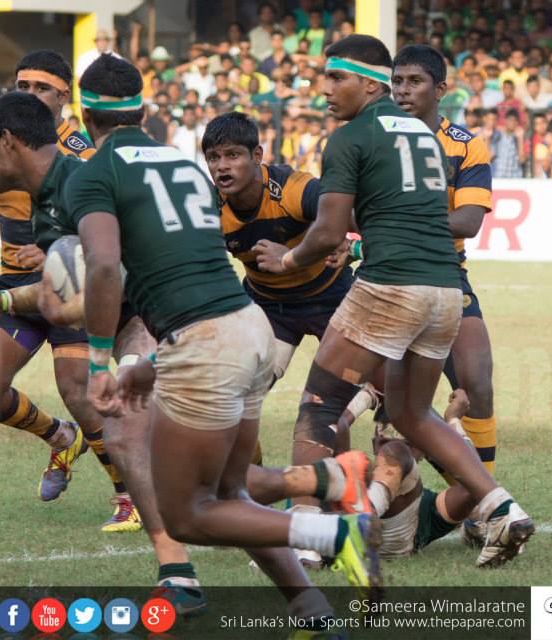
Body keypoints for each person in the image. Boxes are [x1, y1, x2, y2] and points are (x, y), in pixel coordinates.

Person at [68, 53, 381, 621]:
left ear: (84, 115)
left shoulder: (93, 174)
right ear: (143, 109)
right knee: (232, 493)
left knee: (188, 513)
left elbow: (106, 267)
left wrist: (97, 365)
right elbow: (193, 277)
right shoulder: (186, 169)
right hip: (250, 326)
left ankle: (335, 534)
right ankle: (312, 608)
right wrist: (153, 363)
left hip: (209, 344)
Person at [254, 35, 534, 568]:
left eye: (336, 78)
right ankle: (502, 508)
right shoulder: (425, 136)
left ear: (368, 84)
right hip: (446, 289)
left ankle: (310, 540)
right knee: (412, 413)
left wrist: (287, 260)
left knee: (319, 406)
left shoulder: (349, 137)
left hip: (391, 286)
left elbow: (328, 230)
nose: (324, 89)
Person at [0, 91, 207, 616]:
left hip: (177, 318)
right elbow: (73, 288)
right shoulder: (50, 200)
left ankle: (324, 501)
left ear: (8, 141)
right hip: (146, 316)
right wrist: (3, 300)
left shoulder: (84, 182)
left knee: (206, 462)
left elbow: (106, 271)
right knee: (132, 433)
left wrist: (98, 358)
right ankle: (180, 571)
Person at [0, 51, 137, 531]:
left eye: (41, 87)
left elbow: (108, 232)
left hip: (70, 286)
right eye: (22, 85)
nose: (29, 94)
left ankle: (127, 492)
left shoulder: (84, 154)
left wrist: (56, 256)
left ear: (65, 97)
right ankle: (61, 438)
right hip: (13, 285)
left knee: (79, 390)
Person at [202, 112, 366, 569]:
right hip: (268, 310)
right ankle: (249, 503)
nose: (222, 166)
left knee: (333, 407)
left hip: (332, 300)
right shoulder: (208, 206)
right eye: (213, 157)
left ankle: (341, 505)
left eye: (233, 155)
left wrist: (338, 243)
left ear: (257, 155)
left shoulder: (295, 189)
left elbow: (354, 217)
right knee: (234, 402)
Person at [392, 44, 500, 544]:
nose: (403, 90)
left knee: (477, 381)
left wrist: (400, 221)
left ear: (440, 89)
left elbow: (469, 220)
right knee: (381, 399)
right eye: (397, 81)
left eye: (414, 81)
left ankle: (481, 505)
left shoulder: (465, 145)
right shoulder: (378, 138)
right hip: (386, 275)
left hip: (446, 273)